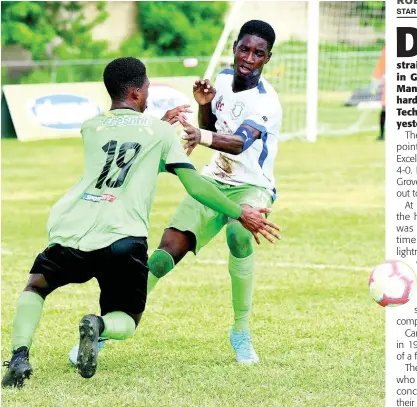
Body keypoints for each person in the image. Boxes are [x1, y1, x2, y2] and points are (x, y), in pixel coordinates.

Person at [2, 57, 281, 388]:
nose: (149, 91)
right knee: (127, 319)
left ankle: (19, 355)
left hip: (71, 231)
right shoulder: (160, 132)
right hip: (121, 239)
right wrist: (239, 212)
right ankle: (100, 327)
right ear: (136, 93)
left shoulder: (90, 127)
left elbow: (129, 151)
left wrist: (156, 128)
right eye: (147, 86)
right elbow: (191, 183)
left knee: (35, 286)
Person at [70, 20, 282, 366]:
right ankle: (102, 332)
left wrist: (201, 133)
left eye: (258, 53)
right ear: (235, 48)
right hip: (214, 180)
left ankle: (241, 333)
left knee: (239, 234)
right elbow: (213, 129)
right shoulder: (224, 80)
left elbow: (240, 143)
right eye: (244, 49)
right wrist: (204, 105)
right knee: (160, 259)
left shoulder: (267, 102)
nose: (249, 57)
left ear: (267, 58)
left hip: (252, 186)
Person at [371, 46, 385, 141]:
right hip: (388, 85)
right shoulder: (387, 48)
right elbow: (381, 65)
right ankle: (382, 135)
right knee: (385, 108)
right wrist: (378, 80)